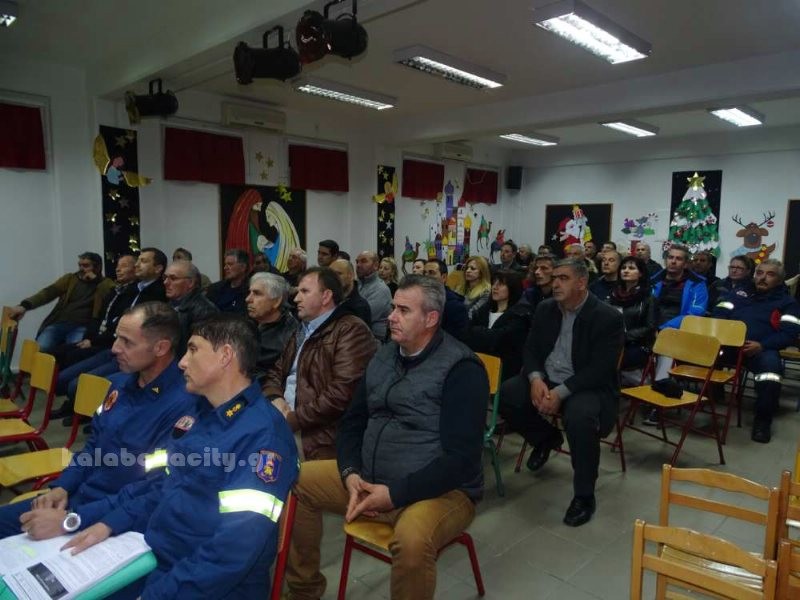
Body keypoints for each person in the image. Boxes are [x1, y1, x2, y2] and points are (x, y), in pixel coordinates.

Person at [63, 314, 299, 599]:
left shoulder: (263, 438)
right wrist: (108, 523)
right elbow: (159, 488)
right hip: (157, 557)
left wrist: (156, 596)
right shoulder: (198, 414)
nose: (182, 362)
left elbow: (232, 552)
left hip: (207, 586)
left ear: (225, 356)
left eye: (193, 350)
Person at [285, 275, 488, 600]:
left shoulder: (462, 370)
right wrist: (350, 472)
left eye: (403, 310)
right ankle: (303, 590)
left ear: (431, 319)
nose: (391, 316)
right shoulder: (384, 355)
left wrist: (394, 494)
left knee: (412, 542)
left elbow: (461, 460)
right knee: (296, 480)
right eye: (393, 307)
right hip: (370, 478)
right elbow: (353, 421)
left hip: (440, 491)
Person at [3, 302, 199, 539]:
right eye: (117, 338)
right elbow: (93, 446)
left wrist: (73, 519)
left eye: (127, 342)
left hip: (112, 520)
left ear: (160, 348)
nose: (115, 348)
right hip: (79, 498)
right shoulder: (119, 384)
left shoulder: (185, 406)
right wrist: (62, 486)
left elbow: (153, 489)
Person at [499, 259, 623, 527]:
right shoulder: (546, 309)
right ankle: (546, 438)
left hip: (584, 385)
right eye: (554, 278)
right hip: (547, 377)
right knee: (508, 393)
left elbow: (600, 369)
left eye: (563, 278)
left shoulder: (607, 317)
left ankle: (584, 496)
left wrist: (561, 393)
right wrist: (535, 379)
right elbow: (531, 349)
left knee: (580, 418)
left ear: (582, 282)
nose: (554, 283)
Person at [262, 267, 376, 460]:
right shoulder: (303, 329)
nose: (296, 298)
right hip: (283, 418)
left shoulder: (351, 330)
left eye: (304, 291)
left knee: (254, 460)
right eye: (298, 291)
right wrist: (275, 398)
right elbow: (275, 372)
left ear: (326, 297)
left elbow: (342, 394)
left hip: (318, 435)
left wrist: (293, 419)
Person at [712, 259, 800, 443]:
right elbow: (719, 313)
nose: (763, 278)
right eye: (759, 273)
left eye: (770, 274)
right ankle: (707, 397)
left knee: (771, 372)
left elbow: (789, 334)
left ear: (779, 280)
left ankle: (762, 421)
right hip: (729, 345)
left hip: (760, 349)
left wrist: (762, 345)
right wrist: (725, 333)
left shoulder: (788, 303)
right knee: (698, 353)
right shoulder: (739, 292)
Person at [49, 254, 138, 420]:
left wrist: (96, 280)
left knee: (75, 378)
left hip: (108, 344)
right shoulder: (115, 291)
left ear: (135, 269)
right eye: (118, 265)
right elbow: (98, 318)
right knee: (57, 357)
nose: (118, 269)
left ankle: (85, 409)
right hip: (97, 338)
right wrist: (89, 338)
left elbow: (116, 327)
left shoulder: (127, 291)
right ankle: (75, 404)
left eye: (124, 266)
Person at [9, 252, 116, 353]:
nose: (81, 269)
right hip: (59, 323)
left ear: (97, 267)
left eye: (86, 266)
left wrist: (96, 280)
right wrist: (25, 305)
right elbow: (48, 293)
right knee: (41, 347)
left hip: (83, 326)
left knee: (73, 351)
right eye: (80, 265)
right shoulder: (70, 279)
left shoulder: (105, 283)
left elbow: (112, 294)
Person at [464, 270, 530, 381]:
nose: (495, 287)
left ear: (512, 288)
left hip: (505, 369)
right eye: (494, 283)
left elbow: (501, 339)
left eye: (501, 284)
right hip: (477, 363)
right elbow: (467, 333)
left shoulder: (521, 313)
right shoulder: (483, 310)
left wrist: (478, 332)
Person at [246, 272, 298, 384]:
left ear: (277, 301)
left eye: (257, 294)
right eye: (249, 293)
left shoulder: (289, 336)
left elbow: (266, 377)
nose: (248, 299)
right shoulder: (249, 322)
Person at [608, 256, 657, 374]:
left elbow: (650, 328)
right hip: (611, 341)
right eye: (623, 268)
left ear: (640, 273)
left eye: (631, 268)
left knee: (608, 358)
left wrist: (624, 336)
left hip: (636, 345)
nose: (626, 271)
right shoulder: (613, 295)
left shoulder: (648, 298)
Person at [164, 260, 219, 355]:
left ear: (190, 283)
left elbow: (199, 350)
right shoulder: (169, 304)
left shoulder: (204, 310)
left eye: (173, 278)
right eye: (165, 277)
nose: (165, 282)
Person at [423, 259, 469, 339]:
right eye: (424, 273)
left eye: (431, 273)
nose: (426, 277)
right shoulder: (420, 299)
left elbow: (455, 341)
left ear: (443, 277)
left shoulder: (455, 306)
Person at [356, 250, 393, 339]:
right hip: (359, 335)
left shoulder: (381, 289)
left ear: (376, 266)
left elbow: (362, 318)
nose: (358, 265)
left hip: (375, 339)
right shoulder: (357, 284)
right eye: (357, 262)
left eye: (363, 261)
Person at [329, 258, 372, 328]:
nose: (334, 278)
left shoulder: (360, 307)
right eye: (331, 275)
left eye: (339, 274)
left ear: (351, 276)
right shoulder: (327, 302)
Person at [206, 248, 250, 314]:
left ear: (243, 267)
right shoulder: (215, 288)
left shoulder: (251, 290)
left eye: (230, 264)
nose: (225, 268)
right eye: (225, 264)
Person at [456, 256, 492, 320]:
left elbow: (473, 313)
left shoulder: (486, 291)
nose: (468, 271)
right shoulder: (460, 287)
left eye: (473, 268)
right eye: (467, 268)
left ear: (481, 272)